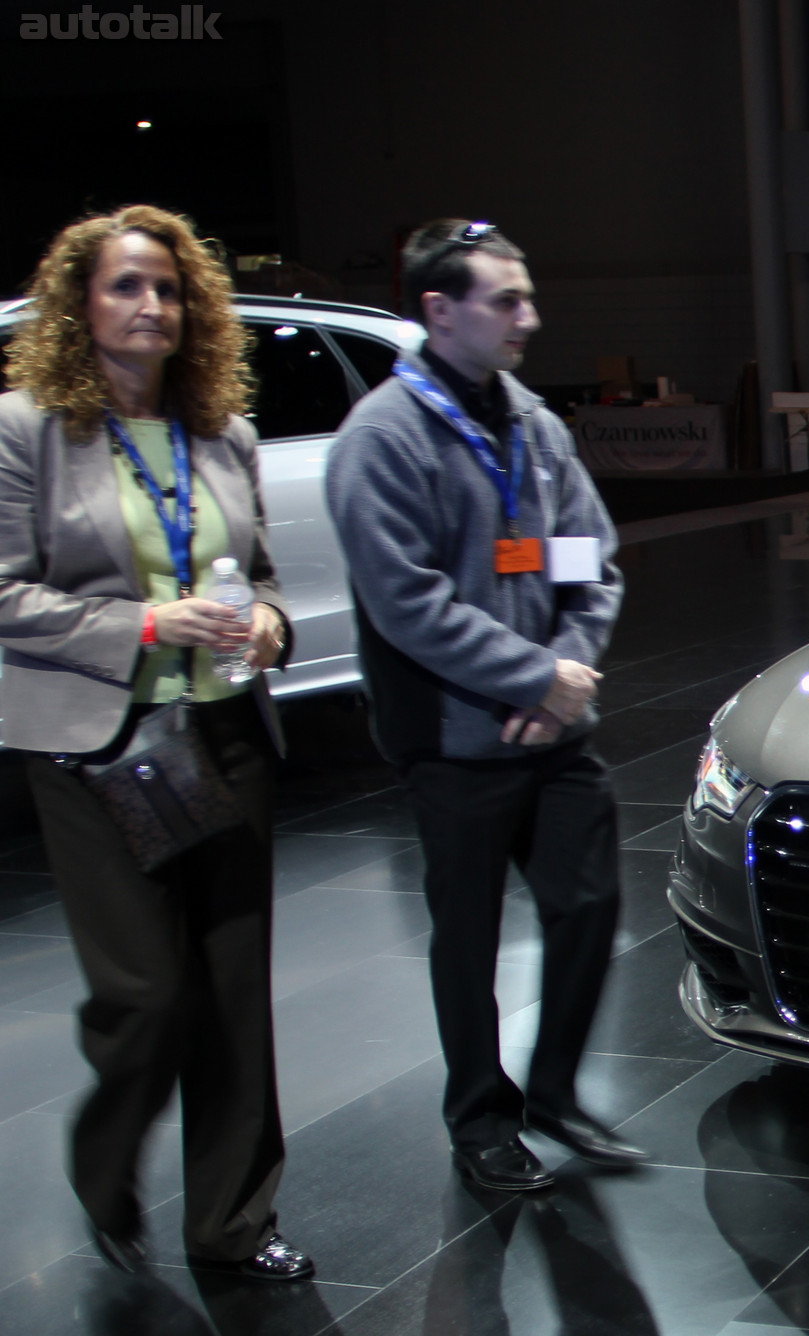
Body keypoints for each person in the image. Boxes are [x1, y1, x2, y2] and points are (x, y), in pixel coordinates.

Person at [0, 205, 307, 1280]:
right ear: (79, 304)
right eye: (126, 286)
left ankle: (233, 1220)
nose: (150, 306)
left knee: (232, 993)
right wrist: (141, 623)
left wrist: (269, 623)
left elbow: (261, 574)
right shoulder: (23, 425)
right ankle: (104, 1158)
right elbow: (4, 593)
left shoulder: (221, 432)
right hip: (98, 745)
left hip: (222, 728)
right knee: (144, 997)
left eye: (169, 289)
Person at [324, 220, 641, 1193]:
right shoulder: (381, 438)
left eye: (527, 296)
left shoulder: (537, 428)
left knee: (588, 904)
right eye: (507, 300)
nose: (529, 318)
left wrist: (563, 677)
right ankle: (480, 1119)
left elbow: (592, 564)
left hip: (553, 726)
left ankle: (554, 1090)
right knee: (465, 939)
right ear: (438, 310)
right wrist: (530, 678)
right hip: (451, 740)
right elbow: (407, 603)